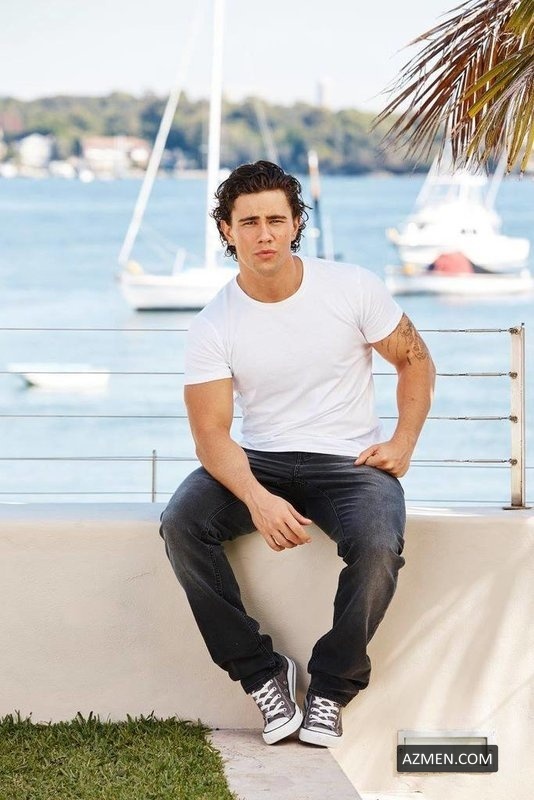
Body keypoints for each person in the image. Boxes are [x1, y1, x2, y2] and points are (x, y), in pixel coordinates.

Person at [160, 160, 435, 748]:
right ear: (227, 230)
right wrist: (256, 499)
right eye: (249, 222)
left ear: (295, 224)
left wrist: (403, 441)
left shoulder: (351, 287)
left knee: (378, 546)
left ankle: (331, 689)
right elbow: (211, 435)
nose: (264, 234)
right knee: (182, 523)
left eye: (275, 221)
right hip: (259, 460)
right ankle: (262, 674)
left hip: (350, 465)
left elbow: (414, 359)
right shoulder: (213, 323)